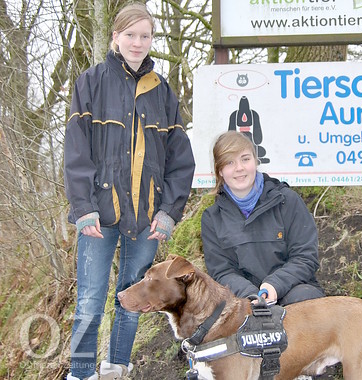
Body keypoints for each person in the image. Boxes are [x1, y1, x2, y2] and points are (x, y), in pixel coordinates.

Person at [63, 4, 195, 379]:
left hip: (147, 218)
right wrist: (83, 207)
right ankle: (82, 372)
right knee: (89, 297)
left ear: (152, 40)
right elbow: (76, 152)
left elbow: (180, 161)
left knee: (133, 296)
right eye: (131, 34)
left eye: (146, 36)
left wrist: (169, 212)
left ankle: (117, 367)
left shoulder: (163, 91)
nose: (138, 43)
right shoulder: (90, 82)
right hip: (98, 215)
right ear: (115, 37)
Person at [201, 131, 324, 306]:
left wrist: (275, 284)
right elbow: (221, 271)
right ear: (220, 170)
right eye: (230, 162)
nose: (239, 168)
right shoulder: (212, 218)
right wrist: (250, 294)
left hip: (292, 290)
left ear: (255, 161)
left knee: (307, 300)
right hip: (243, 298)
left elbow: (305, 257)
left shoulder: (287, 200)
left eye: (245, 159)